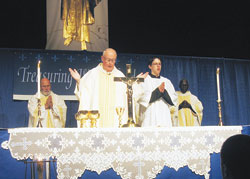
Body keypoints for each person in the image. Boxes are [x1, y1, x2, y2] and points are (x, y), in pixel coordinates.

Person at [69, 48, 147, 128]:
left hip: (115, 121)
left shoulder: (120, 76)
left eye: (113, 60)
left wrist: (136, 83)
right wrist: (79, 81)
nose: (110, 63)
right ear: (102, 58)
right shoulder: (92, 74)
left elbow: (129, 96)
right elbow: (84, 94)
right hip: (96, 122)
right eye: (108, 60)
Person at [27, 78, 67, 179]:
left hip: (54, 133)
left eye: (48, 86)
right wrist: (45, 107)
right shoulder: (34, 99)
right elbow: (33, 113)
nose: (46, 88)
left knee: (55, 161)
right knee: (40, 160)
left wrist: (53, 106)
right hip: (40, 133)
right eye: (44, 86)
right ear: (40, 86)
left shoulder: (57, 98)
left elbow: (63, 110)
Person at [136, 57, 177, 127]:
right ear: (150, 66)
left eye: (160, 64)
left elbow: (173, 100)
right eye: (155, 64)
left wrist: (164, 92)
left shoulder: (167, 81)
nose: (158, 66)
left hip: (164, 117)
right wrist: (157, 92)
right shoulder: (145, 80)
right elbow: (141, 97)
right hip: (150, 116)